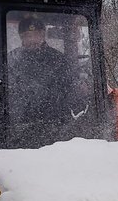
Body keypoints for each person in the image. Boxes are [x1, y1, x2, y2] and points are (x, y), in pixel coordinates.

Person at [7, 14, 86, 145]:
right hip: (20, 126)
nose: (31, 40)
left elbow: (69, 88)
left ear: (43, 35)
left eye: (35, 35)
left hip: (55, 126)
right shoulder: (11, 60)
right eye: (27, 36)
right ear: (21, 38)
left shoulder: (58, 59)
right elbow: (8, 91)